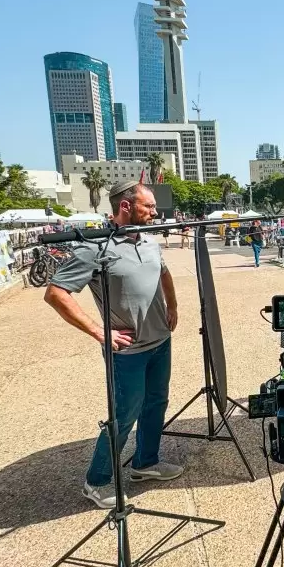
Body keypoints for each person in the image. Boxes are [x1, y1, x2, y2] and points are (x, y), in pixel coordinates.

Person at [44, 180, 183, 509]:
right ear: (126, 206)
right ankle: (97, 480)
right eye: (148, 206)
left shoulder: (149, 241)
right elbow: (55, 293)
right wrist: (98, 331)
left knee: (156, 403)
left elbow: (163, 273)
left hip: (160, 342)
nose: (154, 211)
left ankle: (145, 463)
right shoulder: (94, 247)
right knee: (124, 414)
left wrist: (173, 306)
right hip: (128, 352)